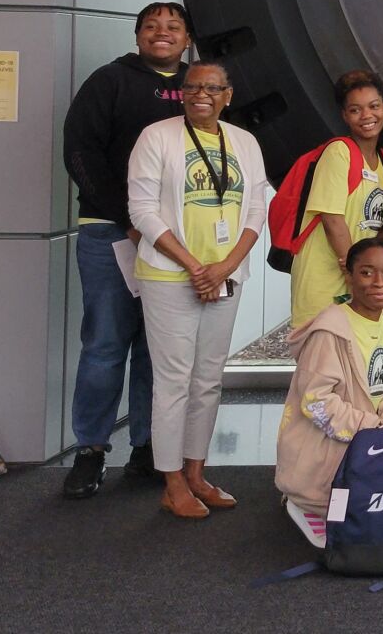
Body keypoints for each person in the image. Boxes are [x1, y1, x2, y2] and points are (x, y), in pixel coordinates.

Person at [125, 60, 267, 519]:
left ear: (229, 95)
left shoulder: (243, 142)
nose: (200, 94)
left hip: (225, 274)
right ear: (180, 94)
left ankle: (196, 473)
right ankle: (170, 482)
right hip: (170, 276)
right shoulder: (157, 137)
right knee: (173, 382)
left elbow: (256, 210)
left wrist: (224, 267)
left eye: (212, 87)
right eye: (192, 87)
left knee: (207, 381)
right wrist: (193, 267)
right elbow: (143, 210)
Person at [59, 1, 190, 498]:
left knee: (158, 351)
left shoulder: (199, 89)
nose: (162, 33)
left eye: (173, 26)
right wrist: (130, 219)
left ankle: (149, 449)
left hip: (177, 244)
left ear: (187, 38)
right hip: (109, 233)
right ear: (138, 35)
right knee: (106, 345)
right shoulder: (109, 82)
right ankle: (89, 452)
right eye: (152, 26)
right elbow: (80, 152)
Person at [276, 238, 383, 548]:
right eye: (366, 273)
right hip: (334, 440)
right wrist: (374, 430)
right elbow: (317, 402)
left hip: (372, 434)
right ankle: (306, 503)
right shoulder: (330, 329)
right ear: (348, 276)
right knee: (343, 531)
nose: (379, 283)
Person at [288, 70, 383, 330]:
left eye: (374, 106)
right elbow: (332, 220)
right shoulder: (339, 153)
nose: (367, 116)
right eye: (355, 110)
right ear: (345, 116)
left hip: (359, 279)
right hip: (326, 279)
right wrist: (356, 274)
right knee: (322, 364)